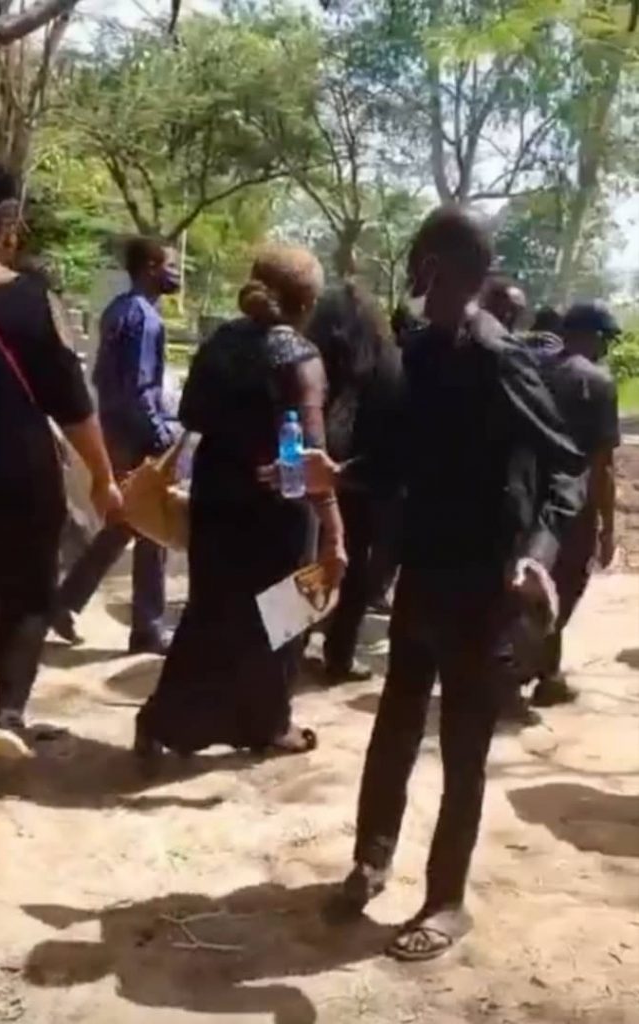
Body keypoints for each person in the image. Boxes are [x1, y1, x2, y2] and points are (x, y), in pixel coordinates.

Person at [276, 207, 588, 960]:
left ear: (439, 269)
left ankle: (447, 901)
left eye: (419, 260)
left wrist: (537, 555)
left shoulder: (500, 358)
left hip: (484, 584)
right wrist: (339, 472)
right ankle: (370, 861)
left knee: (462, 745)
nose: (412, 275)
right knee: (394, 727)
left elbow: (567, 466)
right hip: (420, 571)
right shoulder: (416, 353)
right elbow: (396, 459)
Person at [135, 245, 346, 761]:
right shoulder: (301, 359)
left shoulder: (220, 343)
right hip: (278, 510)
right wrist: (335, 533)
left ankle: (162, 719)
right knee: (282, 622)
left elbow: (192, 415)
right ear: (307, 302)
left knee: (209, 615)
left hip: (217, 499)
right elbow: (311, 457)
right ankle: (270, 724)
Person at [0, 157, 121, 772]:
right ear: (7, 226)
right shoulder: (32, 301)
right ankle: (8, 714)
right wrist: (103, 476)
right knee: (28, 594)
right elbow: (72, 403)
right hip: (22, 473)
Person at [52, 237, 180, 655]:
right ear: (149, 267)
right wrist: (161, 435)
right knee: (155, 525)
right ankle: (147, 627)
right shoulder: (144, 318)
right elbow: (140, 388)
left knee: (126, 523)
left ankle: (66, 601)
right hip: (138, 436)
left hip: (117, 431)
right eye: (170, 265)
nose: (176, 273)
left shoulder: (119, 311)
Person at [305, 282, 403, 682]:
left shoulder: (310, 358)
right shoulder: (389, 363)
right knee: (355, 568)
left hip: (310, 472)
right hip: (360, 480)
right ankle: (340, 654)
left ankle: (289, 644)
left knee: (307, 560)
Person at [527, 300, 620, 707]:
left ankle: (549, 676)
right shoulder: (597, 382)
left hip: (524, 495)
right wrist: (607, 527)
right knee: (563, 586)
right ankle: (513, 674)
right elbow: (603, 465)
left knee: (529, 581)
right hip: (572, 504)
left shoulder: (532, 369)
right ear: (593, 337)